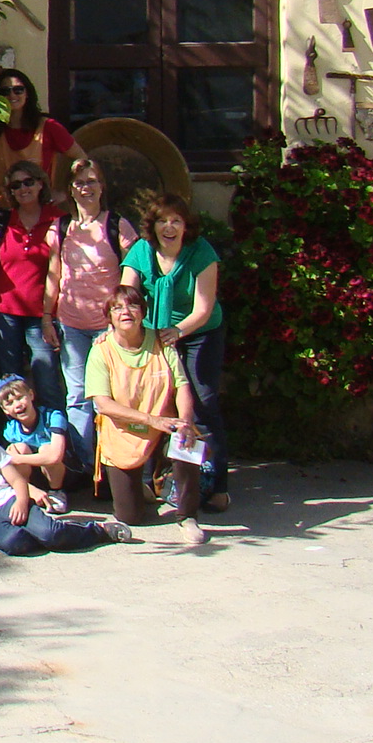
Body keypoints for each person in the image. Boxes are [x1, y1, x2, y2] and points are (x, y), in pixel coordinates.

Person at [120, 193, 228, 510]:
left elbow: (203, 308)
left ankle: (217, 485)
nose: (169, 227)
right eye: (162, 221)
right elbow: (126, 296)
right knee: (153, 403)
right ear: (152, 226)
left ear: (186, 225)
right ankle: (149, 481)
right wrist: (119, 332)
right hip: (154, 331)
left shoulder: (202, 252)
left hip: (198, 332)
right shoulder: (142, 251)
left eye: (176, 221)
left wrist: (178, 331)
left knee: (202, 402)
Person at [0, 391, 129, 556]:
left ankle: (99, 531)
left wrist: (21, 501)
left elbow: (16, 480)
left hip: (7, 500)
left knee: (50, 533)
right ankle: (49, 534)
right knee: (16, 543)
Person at [42, 158, 140, 473]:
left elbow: (132, 274)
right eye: (80, 183)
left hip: (108, 329)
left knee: (115, 396)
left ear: (102, 186)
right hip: (71, 325)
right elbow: (54, 274)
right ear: (71, 189)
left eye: (92, 181)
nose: (86, 188)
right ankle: (86, 465)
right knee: (77, 397)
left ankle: (117, 464)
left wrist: (121, 320)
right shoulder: (60, 228)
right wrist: (47, 316)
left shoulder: (117, 226)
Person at [90, 284, 207, 544]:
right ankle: (141, 489)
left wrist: (185, 422)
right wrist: (151, 420)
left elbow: (182, 386)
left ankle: (187, 516)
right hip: (123, 433)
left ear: (143, 312)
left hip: (164, 427)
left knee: (188, 439)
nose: (125, 312)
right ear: (109, 318)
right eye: (117, 308)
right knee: (130, 516)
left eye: (132, 305)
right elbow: (103, 404)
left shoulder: (162, 342)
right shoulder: (100, 350)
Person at [0, 160, 64, 414]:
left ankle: (55, 431)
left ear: (40, 183)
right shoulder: (1, 221)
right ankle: (16, 432)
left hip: (41, 314)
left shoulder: (58, 220)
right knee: (10, 382)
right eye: (16, 185)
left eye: (28, 182)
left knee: (47, 378)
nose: (23, 189)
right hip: (3, 312)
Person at [0, 71, 89, 211]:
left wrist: (65, 192)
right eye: (5, 91)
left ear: (27, 93)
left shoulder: (49, 127)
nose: (12, 95)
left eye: (18, 90)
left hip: (42, 210)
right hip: (5, 211)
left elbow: (82, 159)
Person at [0, 374, 70, 502]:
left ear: (31, 395)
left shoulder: (53, 417)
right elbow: (6, 465)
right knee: (17, 448)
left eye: (20, 398)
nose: (17, 405)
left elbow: (55, 457)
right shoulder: (10, 430)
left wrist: (17, 459)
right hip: (33, 477)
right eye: (10, 403)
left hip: (61, 475)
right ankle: (26, 492)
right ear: (4, 409)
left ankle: (57, 493)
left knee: (46, 449)